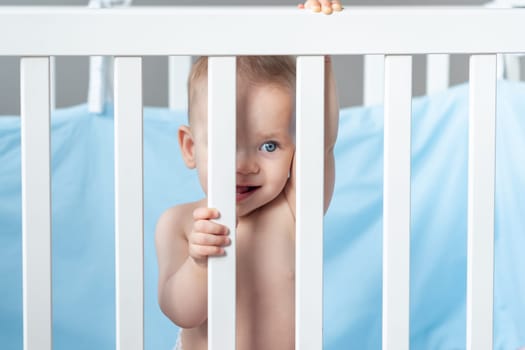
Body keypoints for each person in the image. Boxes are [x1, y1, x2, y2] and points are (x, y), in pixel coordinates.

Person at [156, 48, 339, 350]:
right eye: (227, 144)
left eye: (269, 146)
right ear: (190, 147)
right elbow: (182, 313)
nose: (244, 166)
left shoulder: (293, 210)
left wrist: (320, 53)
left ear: (295, 150)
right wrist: (199, 262)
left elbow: (323, 142)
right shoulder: (178, 223)